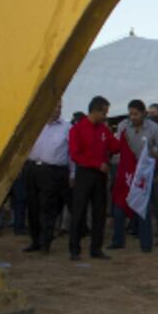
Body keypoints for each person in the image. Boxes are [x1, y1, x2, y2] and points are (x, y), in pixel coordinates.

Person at [68, 96, 120, 260]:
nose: (106, 116)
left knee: (99, 212)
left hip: (100, 174)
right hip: (85, 173)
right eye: (104, 112)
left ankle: (96, 248)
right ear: (96, 111)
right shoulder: (77, 129)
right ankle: (74, 249)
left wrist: (125, 137)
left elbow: (114, 146)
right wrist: (97, 164)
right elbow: (75, 155)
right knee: (79, 212)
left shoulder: (103, 130)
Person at [109, 99, 158, 253]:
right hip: (126, 170)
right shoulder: (123, 126)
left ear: (143, 114)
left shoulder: (154, 128)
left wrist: (152, 151)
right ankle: (117, 240)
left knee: (143, 207)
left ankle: (146, 243)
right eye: (130, 114)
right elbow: (118, 147)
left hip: (144, 172)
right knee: (120, 205)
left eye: (136, 114)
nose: (132, 117)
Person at [23, 100, 71, 255]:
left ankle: (45, 242)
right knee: (32, 206)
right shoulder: (36, 124)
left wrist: (73, 173)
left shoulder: (67, 128)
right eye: (55, 106)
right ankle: (35, 240)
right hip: (32, 168)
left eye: (59, 107)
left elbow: (71, 153)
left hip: (52, 171)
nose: (57, 109)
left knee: (48, 207)